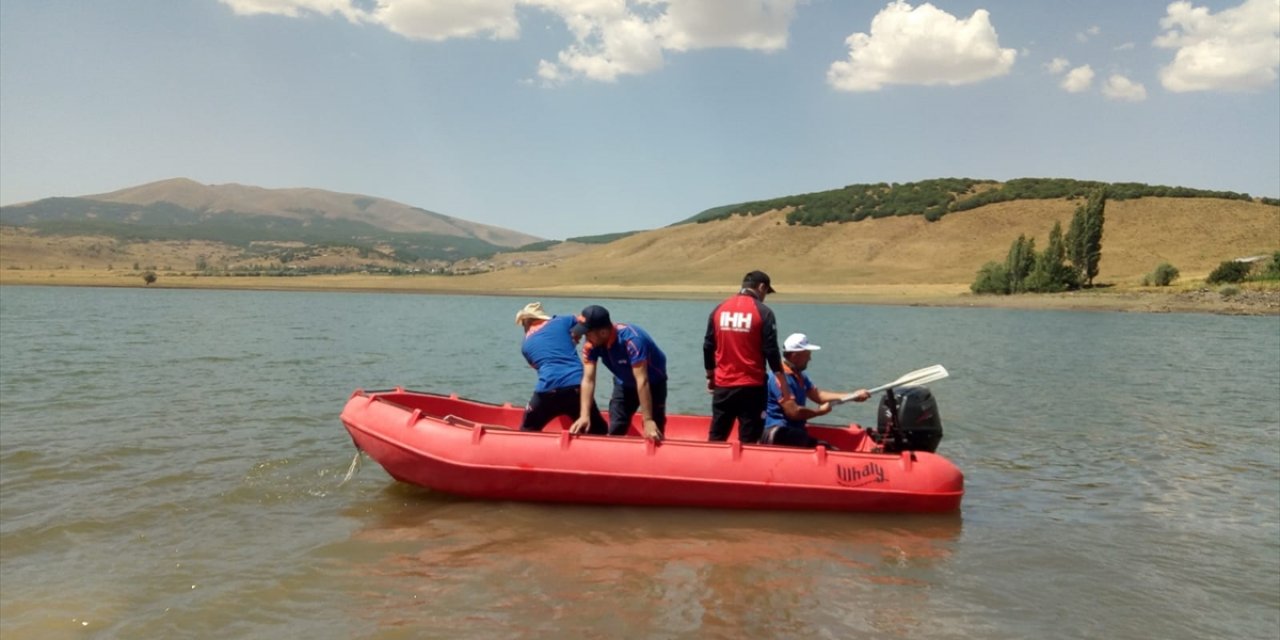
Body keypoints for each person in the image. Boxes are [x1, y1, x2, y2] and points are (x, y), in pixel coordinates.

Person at [703, 270, 791, 443]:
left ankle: (710, 467)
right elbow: (771, 351)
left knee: (717, 436)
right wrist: (783, 382)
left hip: (723, 386)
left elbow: (708, 346)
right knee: (750, 439)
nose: (765, 296)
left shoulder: (719, 310)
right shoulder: (764, 312)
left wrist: (710, 375)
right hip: (752, 386)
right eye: (766, 292)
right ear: (761, 287)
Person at [569, 305, 667, 441]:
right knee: (616, 427)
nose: (586, 337)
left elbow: (642, 380)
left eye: (588, 333)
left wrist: (648, 419)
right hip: (624, 382)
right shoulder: (591, 345)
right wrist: (585, 415)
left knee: (655, 430)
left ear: (603, 332)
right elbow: (588, 380)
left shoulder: (632, 340)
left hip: (652, 383)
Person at [764, 333, 871, 448]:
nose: (810, 359)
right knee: (819, 445)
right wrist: (819, 412)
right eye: (807, 355)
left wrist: (853, 396)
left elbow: (818, 396)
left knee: (817, 442)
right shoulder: (778, 378)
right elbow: (793, 412)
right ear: (795, 355)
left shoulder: (800, 375)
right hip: (777, 432)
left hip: (794, 431)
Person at [515, 302, 607, 434]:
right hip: (577, 385)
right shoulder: (562, 321)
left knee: (527, 428)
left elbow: (539, 368)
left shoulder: (525, 345)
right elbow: (586, 321)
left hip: (548, 389)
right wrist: (577, 335)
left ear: (526, 322)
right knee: (599, 430)